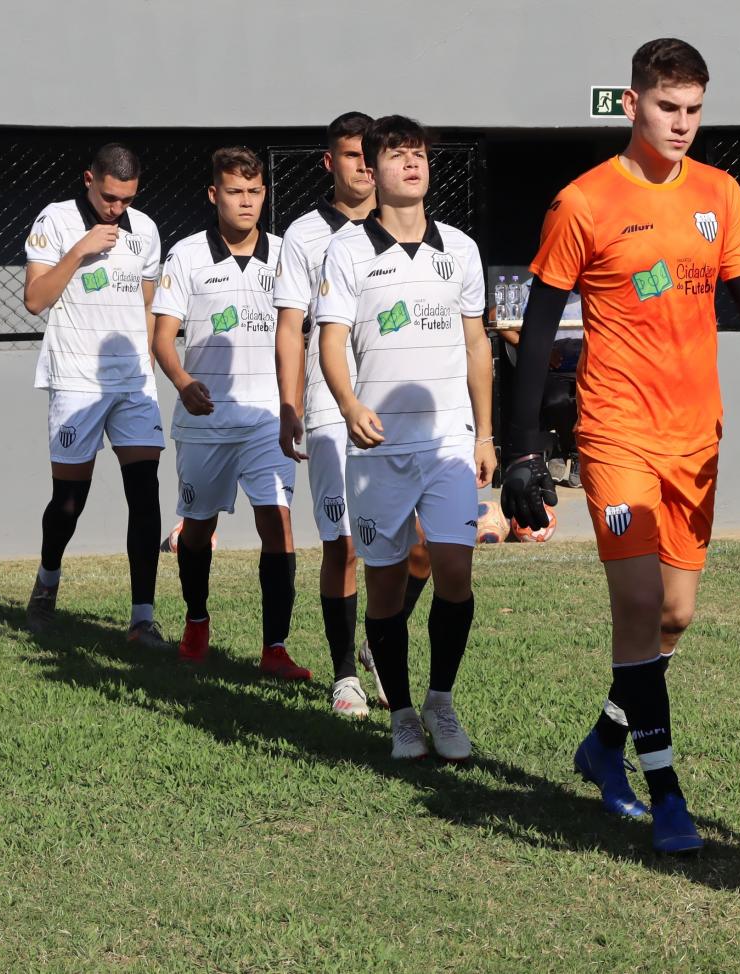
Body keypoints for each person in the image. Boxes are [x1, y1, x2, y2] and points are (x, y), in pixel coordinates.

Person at [501, 38, 740, 851]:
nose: (682, 124)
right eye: (668, 108)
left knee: (673, 616)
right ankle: (667, 793)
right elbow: (537, 329)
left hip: (694, 435)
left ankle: (603, 746)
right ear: (631, 105)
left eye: (695, 110)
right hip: (615, 433)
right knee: (636, 606)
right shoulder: (583, 202)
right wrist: (524, 446)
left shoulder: (720, 192)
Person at [314, 115, 493, 760]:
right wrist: (349, 402)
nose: (411, 164)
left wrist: (486, 433)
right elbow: (329, 340)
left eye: (419, 155)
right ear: (373, 168)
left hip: (448, 439)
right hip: (377, 448)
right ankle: (403, 714)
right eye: (397, 155)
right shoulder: (346, 249)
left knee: (454, 567)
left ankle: (441, 702)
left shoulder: (461, 250)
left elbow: (476, 342)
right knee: (385, 584)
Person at [273, 111, 432, 718]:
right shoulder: (304, 237)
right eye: (351, 156)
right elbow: (292, 328)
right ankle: (345, 674)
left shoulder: (417, 231)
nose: (365, 166)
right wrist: (290, 404)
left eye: (374, 156)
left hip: (399, 408)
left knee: (419, 543)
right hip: (327, 406)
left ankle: (377, 641)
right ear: (330, 163)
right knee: (341, 542)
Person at [152, 147, 310, 680]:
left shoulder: (289, 254)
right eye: (235, 192)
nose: (246, 202)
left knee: (279, 525)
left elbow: (300, 339)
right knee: (197, 529)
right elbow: (162, 338)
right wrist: (183, 381)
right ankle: (197, 621)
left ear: (265, 193)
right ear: (214, 195)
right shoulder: (186, 256)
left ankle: (275, 647)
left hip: (269, 417)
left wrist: (295, 407)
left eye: (255, 191)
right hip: (206, 420)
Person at [21, 144, 166, 644]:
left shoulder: (144, 229)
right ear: (89, 179)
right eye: (109, 197)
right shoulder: (56, 221)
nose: (116, 209)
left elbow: (148, 303)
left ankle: (142, 617)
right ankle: (47, 582)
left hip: (132, 382)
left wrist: (148, 356)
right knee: (69, 500)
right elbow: (35, 300)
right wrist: (80, 249)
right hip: (75, 378)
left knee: (145, 492)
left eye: (126, 199)